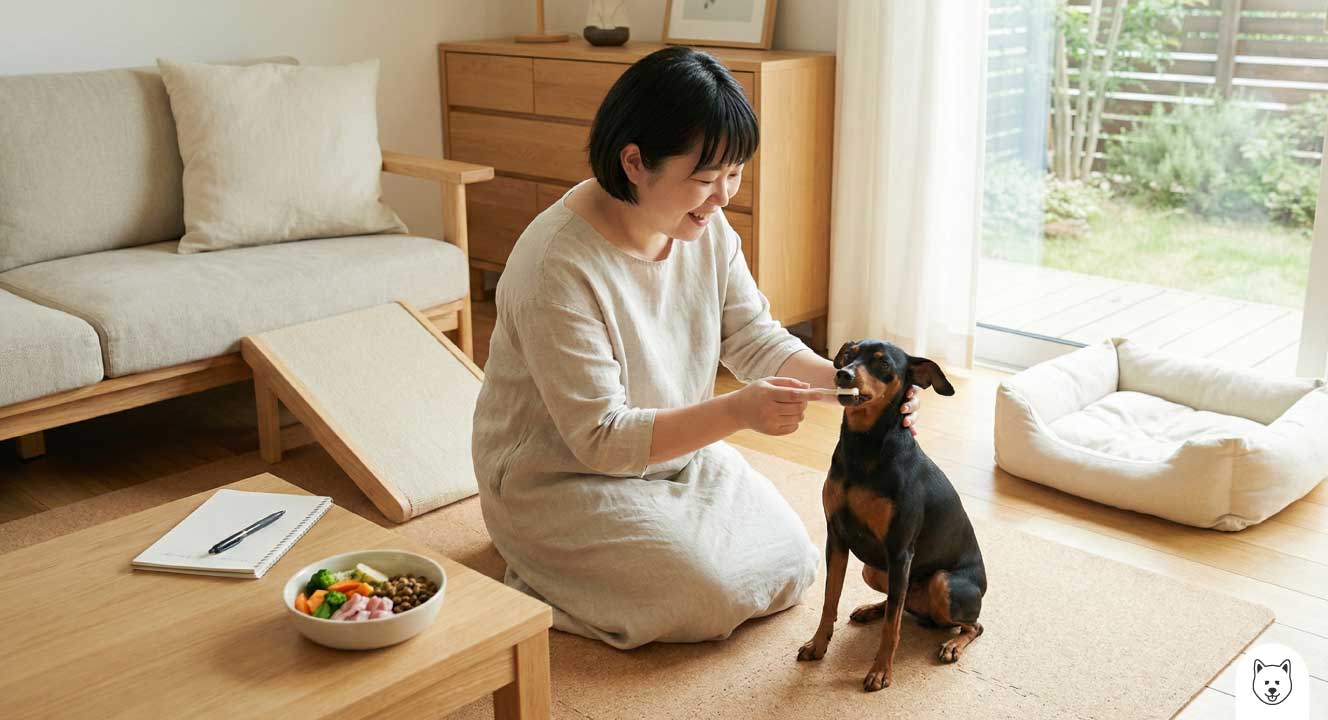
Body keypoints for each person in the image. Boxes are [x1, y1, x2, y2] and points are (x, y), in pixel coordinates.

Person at [471, 46, 919, 650]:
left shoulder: (703, 231)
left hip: (675, 449)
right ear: (634, 162)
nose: (724, 196)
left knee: (793, 561)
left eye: (734, 174)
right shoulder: (558, 265)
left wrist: (853, 390)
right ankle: (536, 571)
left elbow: (754, 337)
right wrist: (738, 412)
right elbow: (601, 438)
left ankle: (636, 555)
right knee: (706, 597)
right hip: (558, 477)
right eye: (706, 179)